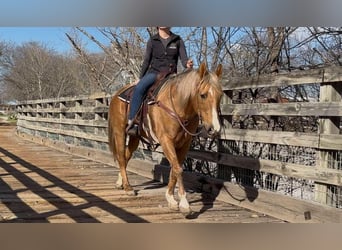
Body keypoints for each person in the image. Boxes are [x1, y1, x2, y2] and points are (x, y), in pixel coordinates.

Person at [126, 27, 193, 136]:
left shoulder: (177, 40)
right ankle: (133, 121)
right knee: (139, 88)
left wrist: (187, 64)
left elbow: (184, 59)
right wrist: (140, 77)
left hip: (171, 75)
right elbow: (146, 61)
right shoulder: (153, 40)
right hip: (154, 73)